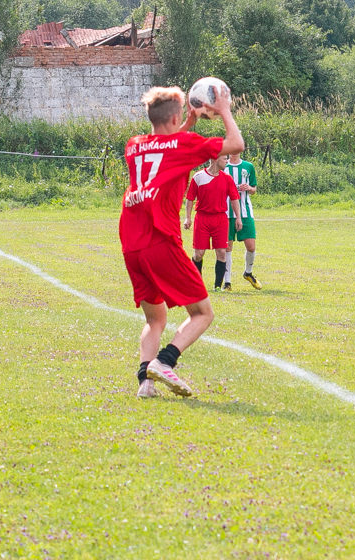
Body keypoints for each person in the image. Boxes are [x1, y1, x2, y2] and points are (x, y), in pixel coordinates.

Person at [120, 85, 244, 399]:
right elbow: (235, 144)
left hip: (131, 243)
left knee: (155, 318)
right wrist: (225, 109)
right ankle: (165, 361)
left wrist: (186, 123)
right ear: (176, 116)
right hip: (159, 240)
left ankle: (145, 383)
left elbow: (165, 147)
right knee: (202, 313)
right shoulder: (183, 144)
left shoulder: (133, 145)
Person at [183, 154, 242, 292]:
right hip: (202, 218)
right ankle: (196, 283)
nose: (227, 161)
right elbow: (190, 199)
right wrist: (188, 218)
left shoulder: (227, 178)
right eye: (224, 159)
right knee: (198, 254)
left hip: (221, 219)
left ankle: (217, 286)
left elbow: (234, 199)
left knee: (222, 252)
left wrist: (238, 217)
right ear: (215, 159)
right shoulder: (198, 177)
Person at [223, 152, 261, 291]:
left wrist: (249, 188)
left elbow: (254, 189)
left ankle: (248, 273)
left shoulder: (248, 166)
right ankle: (227, 283)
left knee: (251, 246)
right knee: (227, 247)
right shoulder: (223, 166)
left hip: (245, 212)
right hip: (227, 212)